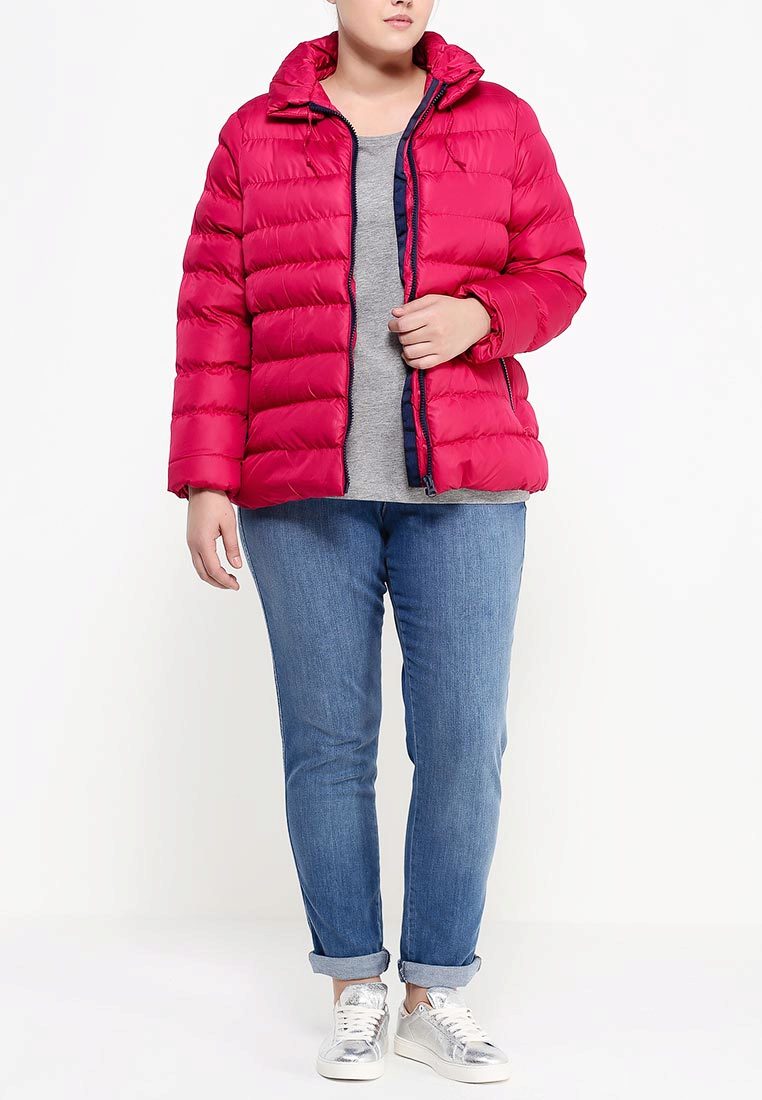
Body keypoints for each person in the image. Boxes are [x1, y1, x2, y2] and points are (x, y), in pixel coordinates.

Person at [167, 0, 585, 1083]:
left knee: (463, 744)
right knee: (327, 747)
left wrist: (481, 314)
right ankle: (354, 983)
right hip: (301, 489)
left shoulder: (500, 120)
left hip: (469, 488)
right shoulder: (255, 134)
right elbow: (214, 312)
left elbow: (558, 272)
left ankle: (434, 990)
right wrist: (206, 476)